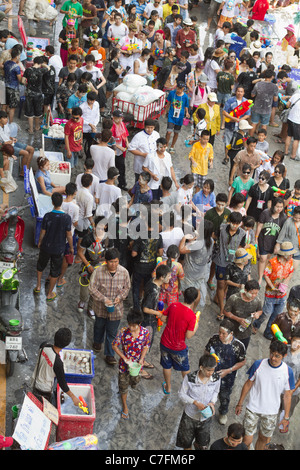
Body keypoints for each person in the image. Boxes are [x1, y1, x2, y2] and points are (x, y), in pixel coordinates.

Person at [235, 340, 295, 450]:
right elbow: (248, 384)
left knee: (264, 439)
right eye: (271, 353)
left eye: (277, 356)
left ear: (284, 356)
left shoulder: (288, 371)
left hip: (271, 412)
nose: (273, 358)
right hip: (252, 408)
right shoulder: (258, 364)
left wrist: (286, 418)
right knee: (246, 441)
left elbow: (287, 395)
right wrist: (240, 404)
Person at [89, 248, 131, 364]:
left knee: (112, 332)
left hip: (116, 309)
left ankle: (109, 354)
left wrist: (120, 297)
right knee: (99, 326)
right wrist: (104, 299)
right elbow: (91, 288)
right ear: (106, 261)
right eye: (111, 262)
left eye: (116, 261)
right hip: (100, 307)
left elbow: (127, 288)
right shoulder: (98, 272)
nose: (114, 264)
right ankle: (97, 341)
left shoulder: (124, 272)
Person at [205, 319, 246, 425]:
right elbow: (206, 351)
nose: (220, 335)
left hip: (227, 378)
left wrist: (229, 370)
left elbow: (242, 362)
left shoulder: (238, 346)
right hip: (211, 374)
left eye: (224, 333)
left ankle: (223, 413)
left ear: (231, 333)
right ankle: (206, 409)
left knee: (224, 397)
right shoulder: (214, 339)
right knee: (207, 393)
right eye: (219, 332)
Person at [160, 286, 201, 394]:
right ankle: (189, 389)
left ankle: (168, 388)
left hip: (165, 342)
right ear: (195, 299)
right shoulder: (192, 316)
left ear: (183, 294)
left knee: (166, 365)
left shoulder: (174, 305)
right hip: (178, 347)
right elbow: (189, 335)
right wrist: (196, 324)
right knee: (185, 368)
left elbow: (163, 318)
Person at [176, 354, 221, 450]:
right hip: (190, 416)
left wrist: (212, 403)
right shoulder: (190, 378)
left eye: (213, 370)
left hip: (206, 417)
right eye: (208, 370)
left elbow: (216, 391)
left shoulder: (216, 378)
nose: (211, 373)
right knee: (186, 443)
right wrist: (195, 402)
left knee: (202, 445)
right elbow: (181, 394)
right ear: (201, 367)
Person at [34, 193, 73, 302]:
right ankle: (50, 293)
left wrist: (40, 242)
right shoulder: (66, 218)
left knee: (41, 265)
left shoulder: (47, 216)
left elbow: (42, 232)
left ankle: (38, 286)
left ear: (52, 202)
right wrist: (71, 247)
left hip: (46, 246)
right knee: (55, 270)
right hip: (58, 248)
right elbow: (69, 234)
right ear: (62, 203)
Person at [112, 308, 150, 420]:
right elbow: (114, 345)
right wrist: (124, 358)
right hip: (124, 365)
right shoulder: (123, 332)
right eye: (130, 325)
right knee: (123, 386)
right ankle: (125, 407)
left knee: (135, 380)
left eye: (134, 326)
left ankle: (132, 383)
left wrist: (142, 359)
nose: (131, 328)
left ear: (140, 324)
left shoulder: (145, 333)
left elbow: (146, 346)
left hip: (137, 366)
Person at [253, 241, 295, 340]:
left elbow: (290, 273)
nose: (292, 255)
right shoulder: (273, 262)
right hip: (270, 293)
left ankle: (268, 332)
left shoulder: (290, 261)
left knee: (276, 315)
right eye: (290, 253)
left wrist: (284, 284)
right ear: (285, 254)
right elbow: (266, 275)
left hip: (282, 294)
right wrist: (272, 287)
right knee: (267, 312)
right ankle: (256, 324)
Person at [32, 328, 80, 407]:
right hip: (44, 390)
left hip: (34, 382)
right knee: (42, 408)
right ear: (66, 344)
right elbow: (62, 384)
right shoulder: (58, 363)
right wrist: (73, 397)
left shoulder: (44, 345)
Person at [140, 263, 171, 378]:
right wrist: (158, 313)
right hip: (148, 321)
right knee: (145, 345)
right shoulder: (154, 291)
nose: (170, 278)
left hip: (149, 320)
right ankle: (140, 367)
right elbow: (146, 309)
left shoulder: (153, 282)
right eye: (168, 276)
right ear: (162, 277)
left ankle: (142, 361)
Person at [179, 219, 214, 309]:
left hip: (190, 273)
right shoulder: (211, 240)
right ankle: (194, 309)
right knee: (197, 291)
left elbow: (181, 250)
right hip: (201, 271)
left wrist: (184, 238)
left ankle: (188, 310)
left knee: (188, 293)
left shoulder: (197, 243)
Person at [224, 279, 262, 350]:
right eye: (252, 293)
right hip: (231, 329)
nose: (254, 295)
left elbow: (260, 310)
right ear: (245, 290)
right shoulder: (234, 298)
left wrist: (257, 314)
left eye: (256, 293)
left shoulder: (257, 301)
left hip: (246, 333)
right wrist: (238, 319)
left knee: (241, 351)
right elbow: (226, 312)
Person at [255, 197, 287, 284]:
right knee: (262, 258)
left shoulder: (283, 217)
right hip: (263, 238)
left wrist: (278, 244)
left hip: (273, 241)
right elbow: (259, 225)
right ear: (273, 206)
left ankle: (264, 272)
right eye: (277, 206)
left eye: (281, 207)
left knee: (268, 257)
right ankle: (260, 277)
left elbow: (283, 232)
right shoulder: (266, 213)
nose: (279, 209)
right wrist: (256, 237)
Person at [22, 56, 51, 135]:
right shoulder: (41, 70)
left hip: (29, 93)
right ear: (40, 63)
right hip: (38, 94)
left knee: (29, 112)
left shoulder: (28, 70)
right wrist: (43, 65)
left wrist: (27, 84)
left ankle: (30, 129)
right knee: (37, 112)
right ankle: (37, 127)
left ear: (34, 62)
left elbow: (23, 80)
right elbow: (48, 68)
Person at [0, 110, 34, 176]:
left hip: (12, 143)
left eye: (6, 118)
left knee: (31, 149)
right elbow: (2, 144)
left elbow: (7, 135)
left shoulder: (5, 125)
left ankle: (25, 169)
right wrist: (10, 142)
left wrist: (12, 138)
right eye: (4, 118)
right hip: (6, 147)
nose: (6, 119)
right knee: (26, 153)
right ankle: (23, 172)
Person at [163, 82, 190, 153]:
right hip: (171, 115)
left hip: (180, 117)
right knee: (169, 132)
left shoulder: (185, 97)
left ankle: (172, 146)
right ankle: (166, 145)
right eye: (178, 88)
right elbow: (168, 102)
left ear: (183, 89)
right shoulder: (172, 93)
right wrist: (165, 111)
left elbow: (186, 105)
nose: (179, 90)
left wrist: (187, 113)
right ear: (176, 87)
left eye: (181, 89)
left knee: (176, 132)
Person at [3, 46, 22, 124]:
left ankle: (2, 122)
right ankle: (10, 123)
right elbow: (20, 79)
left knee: (4, 105)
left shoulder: (6, 63)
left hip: (5, 86)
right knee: (12, 108)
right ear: (17, 56)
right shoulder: (16, 67)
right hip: (13, 89)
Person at [111, 109, 129, 191]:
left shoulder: (122, 124)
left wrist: (127, 142)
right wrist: (119, 147)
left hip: (121, 151)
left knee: (122, 168)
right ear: (114, 118)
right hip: (114, 150)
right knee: (112, 169)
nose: (120, 119)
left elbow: (125, 135)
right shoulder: (112, 126)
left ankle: (122, 184)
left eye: (120, 117)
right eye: (118, 117)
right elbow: (111, 140)